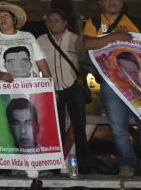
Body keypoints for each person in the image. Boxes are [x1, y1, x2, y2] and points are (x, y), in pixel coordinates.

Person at [82, 0, 141, 179]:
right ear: (101, 3)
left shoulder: (136, 23)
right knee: (118, 127)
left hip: (139, 83)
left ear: (122, 3)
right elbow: (87, 43)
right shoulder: (94, 22)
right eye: (107, 0)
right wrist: (114, 36)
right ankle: (126, 164)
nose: (111, 3)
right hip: (111, 83)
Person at [37, 9, 91, 174]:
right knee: (54, 128)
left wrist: (81, 80)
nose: (53, 23)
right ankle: (54, 164)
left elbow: (86, 63)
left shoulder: (77, 39)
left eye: (56, 20)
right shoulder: (40, 40)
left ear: (65, 22)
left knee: (79, 127)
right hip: (52, 89)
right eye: (50, 21)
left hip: (73, 87)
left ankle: (84, 165)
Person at [0, 1, 50, 82]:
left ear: (14, 20)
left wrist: (51, 86)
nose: (2, 18)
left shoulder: (28, 36)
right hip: (5, 87)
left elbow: (40, 61)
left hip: (33, 86)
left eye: (6, 15)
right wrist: (0, 74)